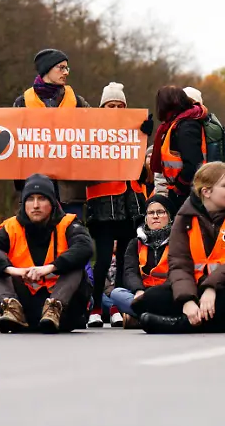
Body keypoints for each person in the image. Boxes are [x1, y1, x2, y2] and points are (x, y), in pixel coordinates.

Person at [132, 162, 225, 333]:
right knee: (146, 301)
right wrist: (187, 300)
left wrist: (211, 288)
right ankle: (208, 320)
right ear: (206, 192)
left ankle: (182, 324)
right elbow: (179, 264)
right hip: (195, 289)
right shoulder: (183, 220)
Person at [0, 174, 94, 333]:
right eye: (30, 199)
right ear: (23, 203)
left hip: (64, 309)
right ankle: (11, 308)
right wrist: (13, 270)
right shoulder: (12, 226)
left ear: (52, 203)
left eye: (42, 199)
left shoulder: (68, 223)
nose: (36, 205)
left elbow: (85, 247)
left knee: (76, 261)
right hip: (25, 305)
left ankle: (54, 307)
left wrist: (50, 268)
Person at [85, 82, 146, 327]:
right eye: (111, 105)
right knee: (102, 259)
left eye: (120, 106)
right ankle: (95, 308)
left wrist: (143, 136)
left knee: (124, 258)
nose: (116, 110)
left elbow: (143, 173)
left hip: (130, 203)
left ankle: (116, 307)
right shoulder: (91, 133)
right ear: (102, 107)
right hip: (103, 203)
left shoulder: (134, 132)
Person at [9, 49, 91, 216]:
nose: (66, 72)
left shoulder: (77, 102)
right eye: (61, 68)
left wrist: (135, 128)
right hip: (33, 188)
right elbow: (10, 138)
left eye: (67, 68)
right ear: (47, 69)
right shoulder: (22, 103)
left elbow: (101, 128)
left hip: (69, 192)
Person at [108, 195, 175, 326]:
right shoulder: (135, 243)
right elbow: (130, 271)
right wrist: (138, 290)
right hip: (143, 294)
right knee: (117, 293)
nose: (155, 216)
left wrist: (158, 293)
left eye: (160, 212)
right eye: (151, 213)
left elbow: (180, 270)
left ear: (169, 216)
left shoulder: (178, 239)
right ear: (145, 218)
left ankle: (141, 318)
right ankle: (155, 318)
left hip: (168, 292)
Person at [150, 86, 209, 213]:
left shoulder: (186, 126)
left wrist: (179, 187)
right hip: (187, 191)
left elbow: (193, 163)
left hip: (188, 193)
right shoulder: (178, 124)